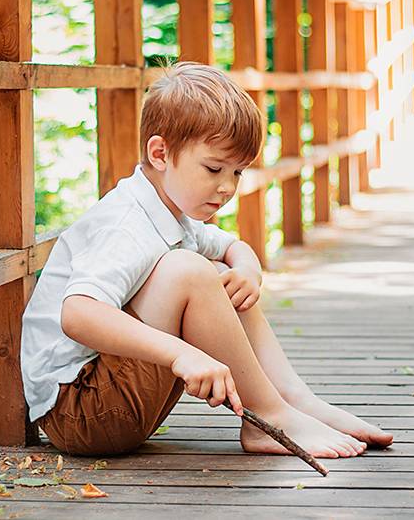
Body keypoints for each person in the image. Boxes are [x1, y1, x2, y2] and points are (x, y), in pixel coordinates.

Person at [20, 61, 393, 458]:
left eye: (238, 173)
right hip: (82, 410)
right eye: (214, 168)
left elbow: (231, 246)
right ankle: (268, 416)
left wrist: (248, 269)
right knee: (192, 271)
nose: (227, 187)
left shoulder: (170, 209)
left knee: (218, 272)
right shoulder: (125, 224)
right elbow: (77, 314)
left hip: (110, 396)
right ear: (160, 153)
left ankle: (291, 398)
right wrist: (183, 353)